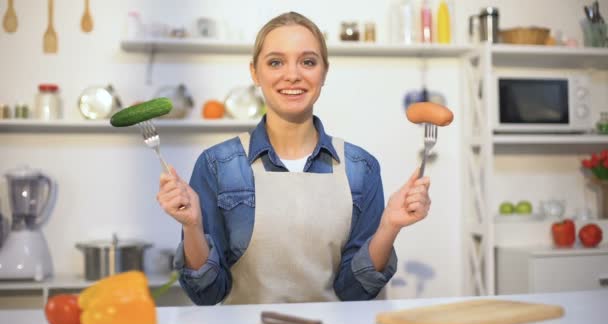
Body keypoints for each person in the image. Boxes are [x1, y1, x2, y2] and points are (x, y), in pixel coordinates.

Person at [157, 12, 431, 305]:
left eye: (308, 62)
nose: (292, 75)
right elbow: (207, 293)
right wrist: (192, 226)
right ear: (254, 72)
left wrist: (390, 225)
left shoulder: (360, 167)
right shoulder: (218, 165)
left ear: (324, 72)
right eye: (276, 62)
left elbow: (354, 291)